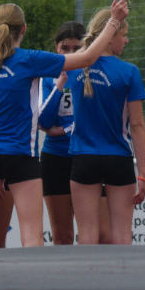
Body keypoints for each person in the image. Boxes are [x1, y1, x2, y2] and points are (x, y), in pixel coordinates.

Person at [0, 3, 114, 249]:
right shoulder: (29, 59)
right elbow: (88, 57)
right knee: (31, 235)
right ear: (24, 29)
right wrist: (113, 22)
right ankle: (30, 285)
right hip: (20, 154)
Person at [68, 0, 145, 245]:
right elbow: (137, 126)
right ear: (110, 35)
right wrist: (143, 174)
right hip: (117, 157)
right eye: (123, 35)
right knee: (122, 234)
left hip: (83, 157)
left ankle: (87, 282)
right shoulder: (129, 72)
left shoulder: (74, 65)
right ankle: (123, 282)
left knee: (87, 233)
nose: (126, 40)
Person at [36, 21, 89, 245]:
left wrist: (66, 128)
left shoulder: (90, 73)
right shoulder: (47, 76)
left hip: (86, 155)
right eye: (64, 48)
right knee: (63, 234)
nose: (70, 54)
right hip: (55, 157)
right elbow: (44, 121)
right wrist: (59, 85)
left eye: (77, 49)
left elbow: (91, 120)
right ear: (56, 48)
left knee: (90, 231)